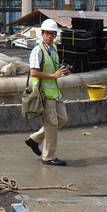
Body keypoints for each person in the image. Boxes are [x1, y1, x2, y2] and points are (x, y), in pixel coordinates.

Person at [23, 19, 70, 166]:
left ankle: (34, 139)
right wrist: (53, 76)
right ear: (42, 34)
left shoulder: (53, 50)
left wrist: (62, 72)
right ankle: (49, 157)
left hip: (55, 93)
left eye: (52, 34)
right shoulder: (38, 51)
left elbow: (53, 70)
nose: (49, 36)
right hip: (44, 93)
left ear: (55, 35)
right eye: (47, 33)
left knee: (62, 119)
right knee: (52, 124)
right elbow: (34, 72)